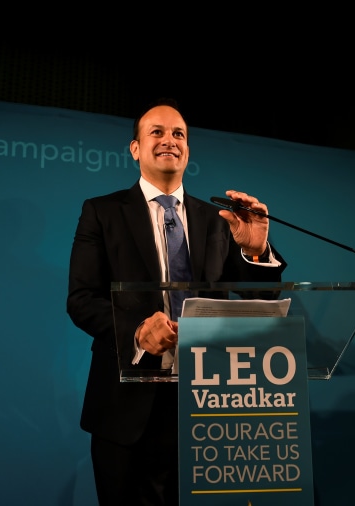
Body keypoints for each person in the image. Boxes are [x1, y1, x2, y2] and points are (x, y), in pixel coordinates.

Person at [67, 98, 287, 506]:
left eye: (179, 134)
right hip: (126, 408)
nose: (169, 140)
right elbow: (81, 299)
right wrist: (137, 330)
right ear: (135, 148)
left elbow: (263, 299)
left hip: (207, 402)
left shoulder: (217, 219)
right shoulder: (102, 212)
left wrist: (256, 252)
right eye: (157, 132)